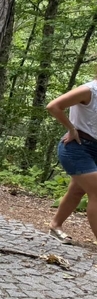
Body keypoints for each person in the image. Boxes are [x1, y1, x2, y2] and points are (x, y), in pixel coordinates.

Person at [45, 80, 97, 243]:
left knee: (77, 191)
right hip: (76, 147)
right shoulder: (89, 91)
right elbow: (53, 106)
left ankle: (55, 225)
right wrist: (71, 128)